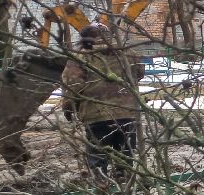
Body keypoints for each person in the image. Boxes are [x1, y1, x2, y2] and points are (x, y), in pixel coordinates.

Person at [61, 23, 144, 184]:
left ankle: (102, 189)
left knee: (98, 159)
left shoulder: (81, 57)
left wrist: (68, 108)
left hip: (96, 116)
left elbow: (72, 86)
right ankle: (125, 189)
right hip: (127, 113)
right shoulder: (126, 52)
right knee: (125, 157)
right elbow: (139, 72)